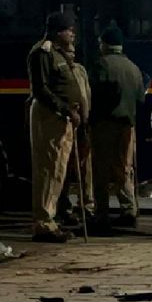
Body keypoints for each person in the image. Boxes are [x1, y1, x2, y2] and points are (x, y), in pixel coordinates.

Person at [26, 11, 82, 243]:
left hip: (63, 119)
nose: (72, 35)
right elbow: (42, 89)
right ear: (59, 31)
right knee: (48, 169)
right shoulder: (43, 52)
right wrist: (65, 109)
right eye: (69, 30)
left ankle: (50, 219)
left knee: (58, 169)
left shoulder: (59, 53)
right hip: (50, 117)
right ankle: (44, 223)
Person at [90, 25, 145, 233]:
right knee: (123, 169)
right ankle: (129, 209)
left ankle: (101, 214)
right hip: (127, 126)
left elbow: (94, 93)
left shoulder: (100, 64)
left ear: (104, 43)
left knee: (101, 171)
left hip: (105, 123)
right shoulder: (133, 67)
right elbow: (140, 98)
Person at [56, 44, 94, 226]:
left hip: (83, 124)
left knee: (85, 166)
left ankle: (87, 204)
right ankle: (63, 206)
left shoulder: (80, 70)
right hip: (67, 122)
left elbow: (86, 94)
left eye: (72, 52)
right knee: (64, 165)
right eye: (67, 52)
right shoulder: (60, 70)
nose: (71, 55)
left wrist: (86, 117)